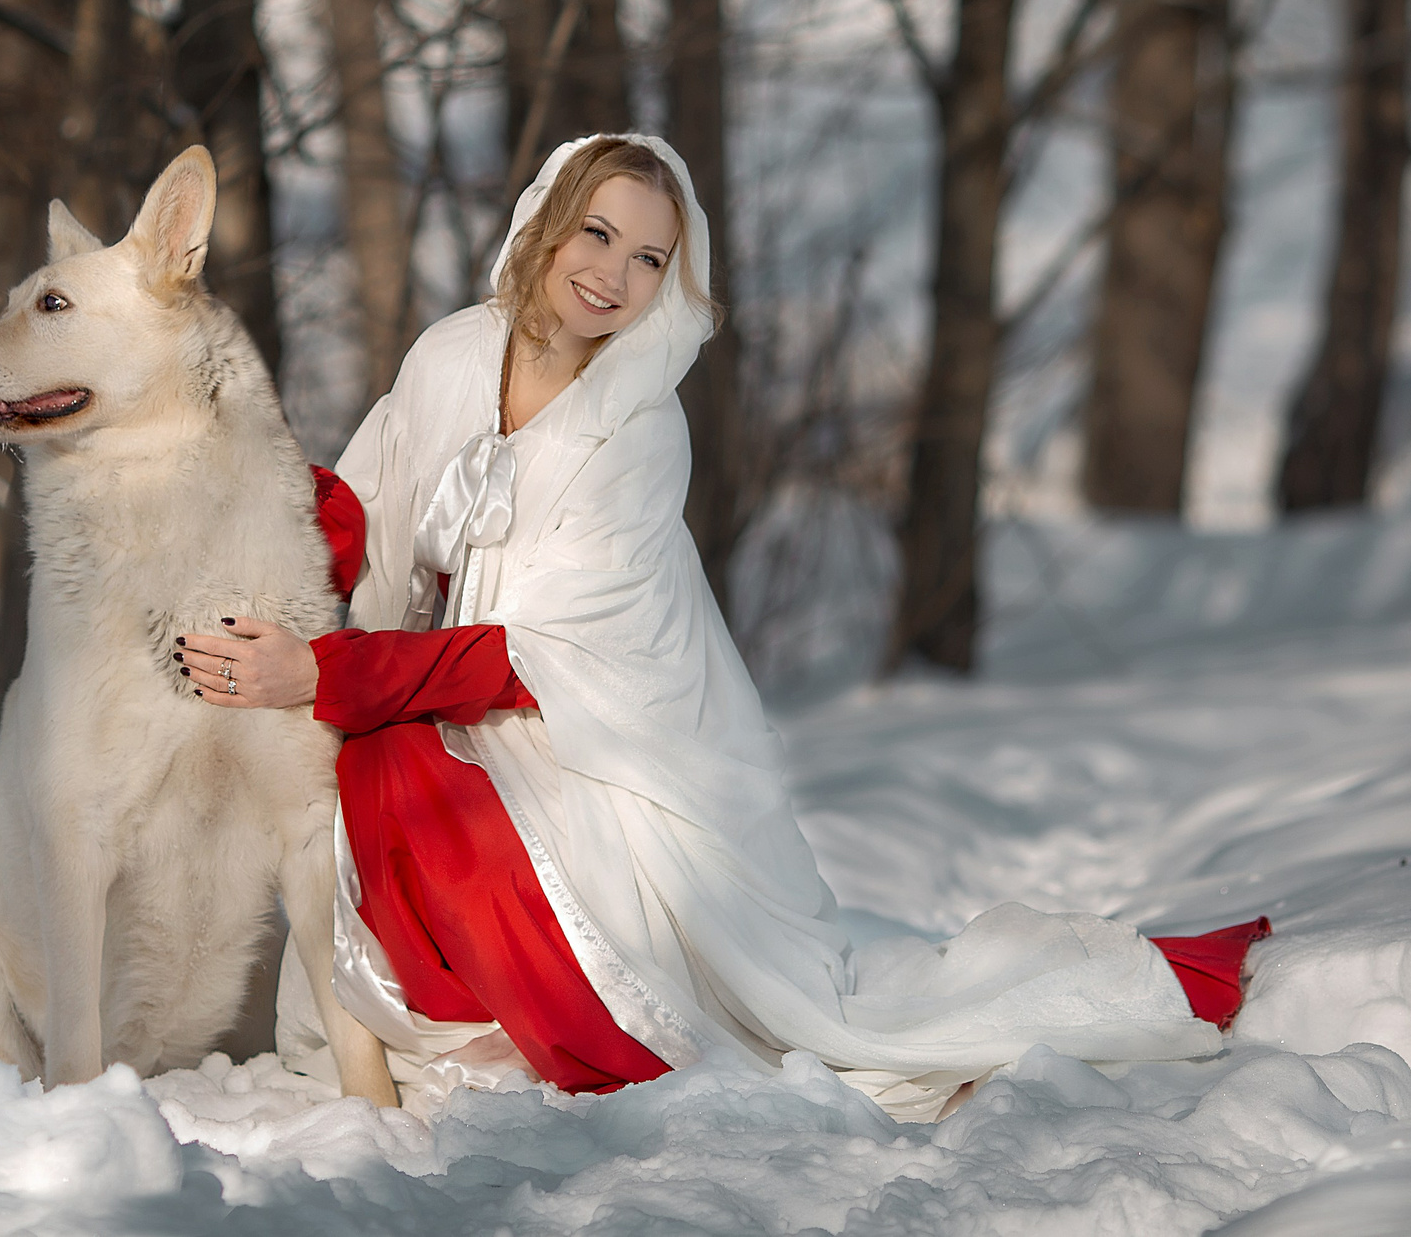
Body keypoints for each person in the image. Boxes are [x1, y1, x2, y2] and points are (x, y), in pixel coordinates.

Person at [177, 135, 1267, 1118]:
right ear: (549, 226)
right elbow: (365, 504)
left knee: (395, 757)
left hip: (583, 734)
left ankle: (586, 1032)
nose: (611, 273)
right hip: (432, 680)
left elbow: (527, 652)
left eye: (648, 258)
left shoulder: (642, 429)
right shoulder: (455, 352)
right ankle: (454, 1013)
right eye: (596, 233)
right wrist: (240, 502)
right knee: (371, 752)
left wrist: (319, 671)